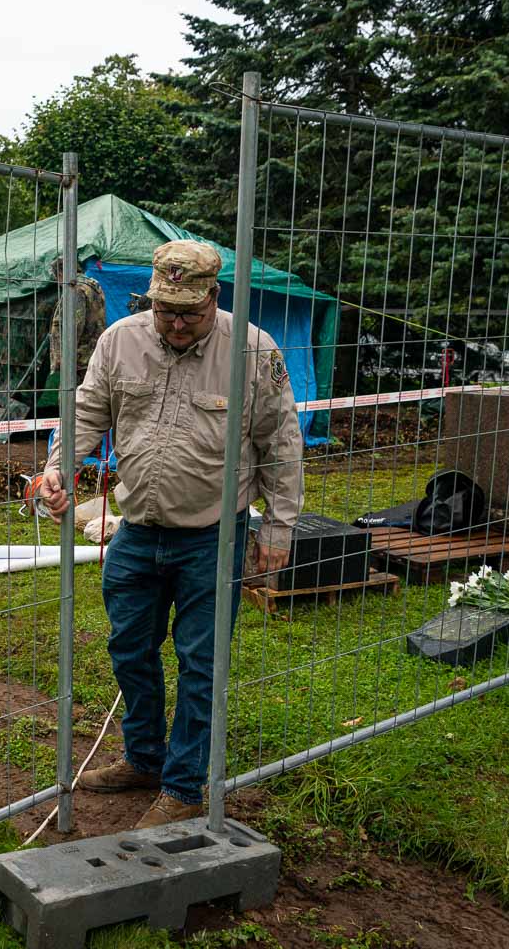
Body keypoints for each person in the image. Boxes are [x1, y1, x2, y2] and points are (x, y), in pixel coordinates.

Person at [40, 240, 303, 828]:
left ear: (214, 296)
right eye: (166, 311)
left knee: (201, 663)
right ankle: (145, 758)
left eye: (190, 312)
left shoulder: (254, 352)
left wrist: (278, 530)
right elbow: (86, 413)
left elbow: (282, 447)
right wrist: (59, 467)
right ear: (152, 299)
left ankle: (184, 787)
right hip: (135, 531)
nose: (177, 324)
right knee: (129, 650)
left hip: (214, 534)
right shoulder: (120, 341)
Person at [47, 256, 107, 379]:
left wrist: (62, 358)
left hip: (78, 360)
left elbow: (73, 325)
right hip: (92, 353)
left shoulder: (76, 289)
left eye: (56, 277)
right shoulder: (92, 285)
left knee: (71, 396)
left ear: (60, 273)